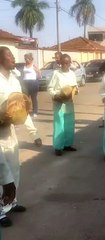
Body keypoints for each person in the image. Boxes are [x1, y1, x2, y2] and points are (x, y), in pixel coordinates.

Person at [0, 46, 42, 227]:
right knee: (2, 173)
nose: (12, 58)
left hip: (10, 133)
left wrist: (34, 134)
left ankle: (11, 202)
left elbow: (21, 110)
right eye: (8, 55)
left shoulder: (15, 81)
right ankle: (0, 211)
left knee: (14, 169)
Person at [48, 54, 78, 156]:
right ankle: (58, 147)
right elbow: (50, 88)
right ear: (60, 63)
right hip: (59, 102)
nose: (66, 65)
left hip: (69, 103)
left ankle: (67, 144)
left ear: (70, 63)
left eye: (67, 63)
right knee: (59, 125)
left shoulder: (72, 74)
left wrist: (75, 90)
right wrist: (56, 95)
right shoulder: (56, 74)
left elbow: (75, 86)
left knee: (69, 124)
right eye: (64, 63)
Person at [22, 53, 41, 118]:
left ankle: (35, 112)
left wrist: (38, 75)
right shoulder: (24, 65)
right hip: (25, 82)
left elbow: (39, 74)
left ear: (30, 59)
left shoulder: (34, 66)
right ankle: (25, 112)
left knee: (33, 98)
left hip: (33, 82)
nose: (26, 60)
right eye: (25, 59)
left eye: (27, 59)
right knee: (25, 98)